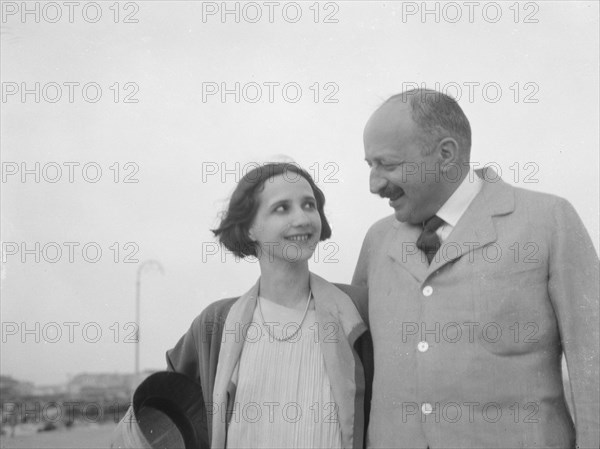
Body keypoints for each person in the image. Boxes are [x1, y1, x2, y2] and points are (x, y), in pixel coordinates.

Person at [352, 89, 599, 448]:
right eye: (369, 165)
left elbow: (593, 358)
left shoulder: (549, 221)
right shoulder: (377, 240)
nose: (374, 184)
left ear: (446, 154)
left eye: (387, 165)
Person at [162, 162, 371, 448]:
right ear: (249, 229)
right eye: (282, 208)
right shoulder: (216, 322)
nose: (303, 218)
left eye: (309, 205)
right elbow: (164, 408)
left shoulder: (357, 309)